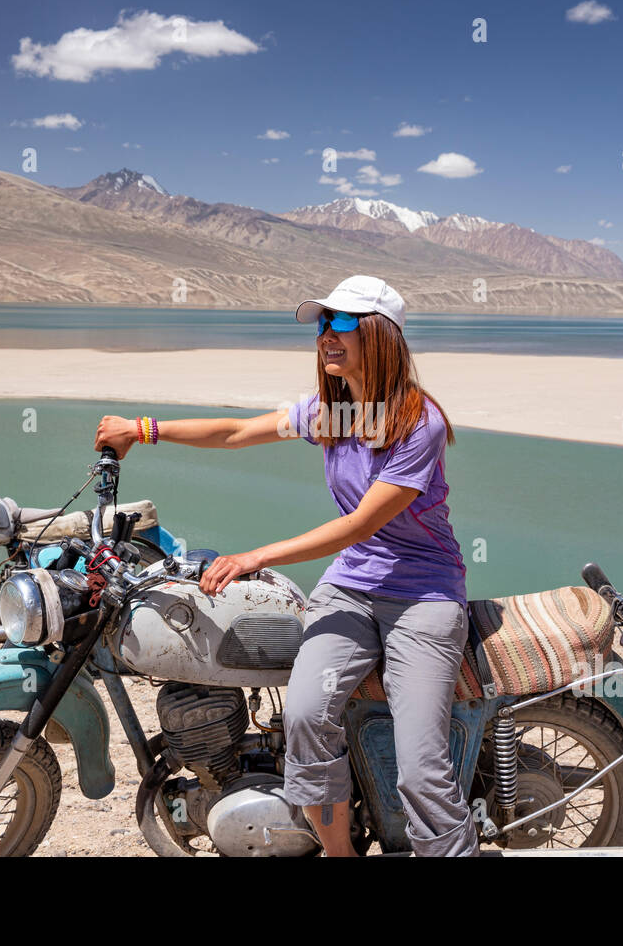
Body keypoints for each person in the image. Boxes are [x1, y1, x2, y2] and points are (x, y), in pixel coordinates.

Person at [94, 275, 477, 857]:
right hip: (350, 591)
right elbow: (238, 431)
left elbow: (359, 525)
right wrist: (143, 430)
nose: (327, 334)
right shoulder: (335, 413)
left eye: (342, 322)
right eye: (322, 323)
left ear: (382, 334)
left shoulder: (415, 423)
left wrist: (255, 557)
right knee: (303, 717)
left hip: (422, 597)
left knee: (420, 765)